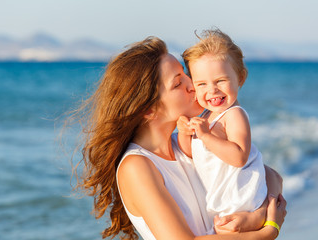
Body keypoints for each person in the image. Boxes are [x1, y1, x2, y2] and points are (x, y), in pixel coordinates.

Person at [67, 36, 286, 240]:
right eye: (178, 83)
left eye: (185, 74)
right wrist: (266, 232)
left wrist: (257, 217)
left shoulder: (192, 144)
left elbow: (270, 176)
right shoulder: (137, 166)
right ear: (148, 109)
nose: (194, 85)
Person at [178, 29, 268, 232]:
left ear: (240, 78)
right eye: (201, 84)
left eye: (220, 81)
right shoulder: (204, 117)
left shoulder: (234, 115)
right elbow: (191, 154)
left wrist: (207, 136)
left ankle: (255, 218)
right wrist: (185, 131)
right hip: (220, 201)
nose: (212, 90)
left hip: (240, 197)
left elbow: (239, 157)